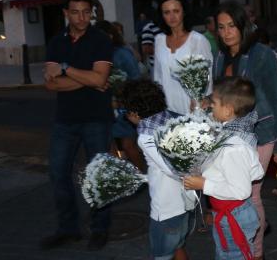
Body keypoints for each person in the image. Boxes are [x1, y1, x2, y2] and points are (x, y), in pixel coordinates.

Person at [213, 1, 277, 260]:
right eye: (221, 27)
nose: (226, 33)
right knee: (236, 193)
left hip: (261, 131)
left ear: (243, 26)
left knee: (250, 193)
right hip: (229, 136)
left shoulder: (261, 54)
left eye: (231, 26)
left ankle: (255, 253)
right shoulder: (219, 57)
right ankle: (244, 235)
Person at [41, 0, 114, 251]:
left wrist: (65, 69)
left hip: (97, 119)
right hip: (65, 119)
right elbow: (51, 86)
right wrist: (89, 80)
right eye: (75, 12)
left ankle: (100, 228)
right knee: (58, 174)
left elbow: (100, 79)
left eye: (86, 12)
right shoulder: (56, 42)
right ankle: (68, 228)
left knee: (97, 177)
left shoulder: (101, 40)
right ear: (65, 13)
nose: (82, 17)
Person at [184, 77, 264, 260]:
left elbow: (241, 190)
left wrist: (204, 184)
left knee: (232, 256)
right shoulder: (231, 133)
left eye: (214, 103)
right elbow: (254, 171)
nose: (210, 106)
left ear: (228, 110)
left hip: (233, 216)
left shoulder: (233, 147)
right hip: (228, 212)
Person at [120, 79, 196, 260]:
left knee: (162, 254)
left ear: (135, 113)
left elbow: (173, 169)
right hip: (185, 202)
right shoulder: (172, 118)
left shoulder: (146, 137)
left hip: (167, 209)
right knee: (178, 246)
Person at [95, 20, 146, 172]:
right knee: (108, 145)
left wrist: (124, 101)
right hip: (103, 108)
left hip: (124, 108)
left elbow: (136, 80)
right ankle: (122, 179)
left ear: (111, 36)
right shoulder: (96, 55)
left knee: (128, 144)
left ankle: (142, 177)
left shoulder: (121, 53)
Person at [153, 0, 212, 115]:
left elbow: (207, 76)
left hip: (191, 110)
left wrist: (198, 103)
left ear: (184, 12)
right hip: (165, 109)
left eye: (176, 11)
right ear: (162, 15)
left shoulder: (198, 40)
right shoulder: (159, 40)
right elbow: (157, 76)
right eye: (167, 12)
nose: (172, 16)